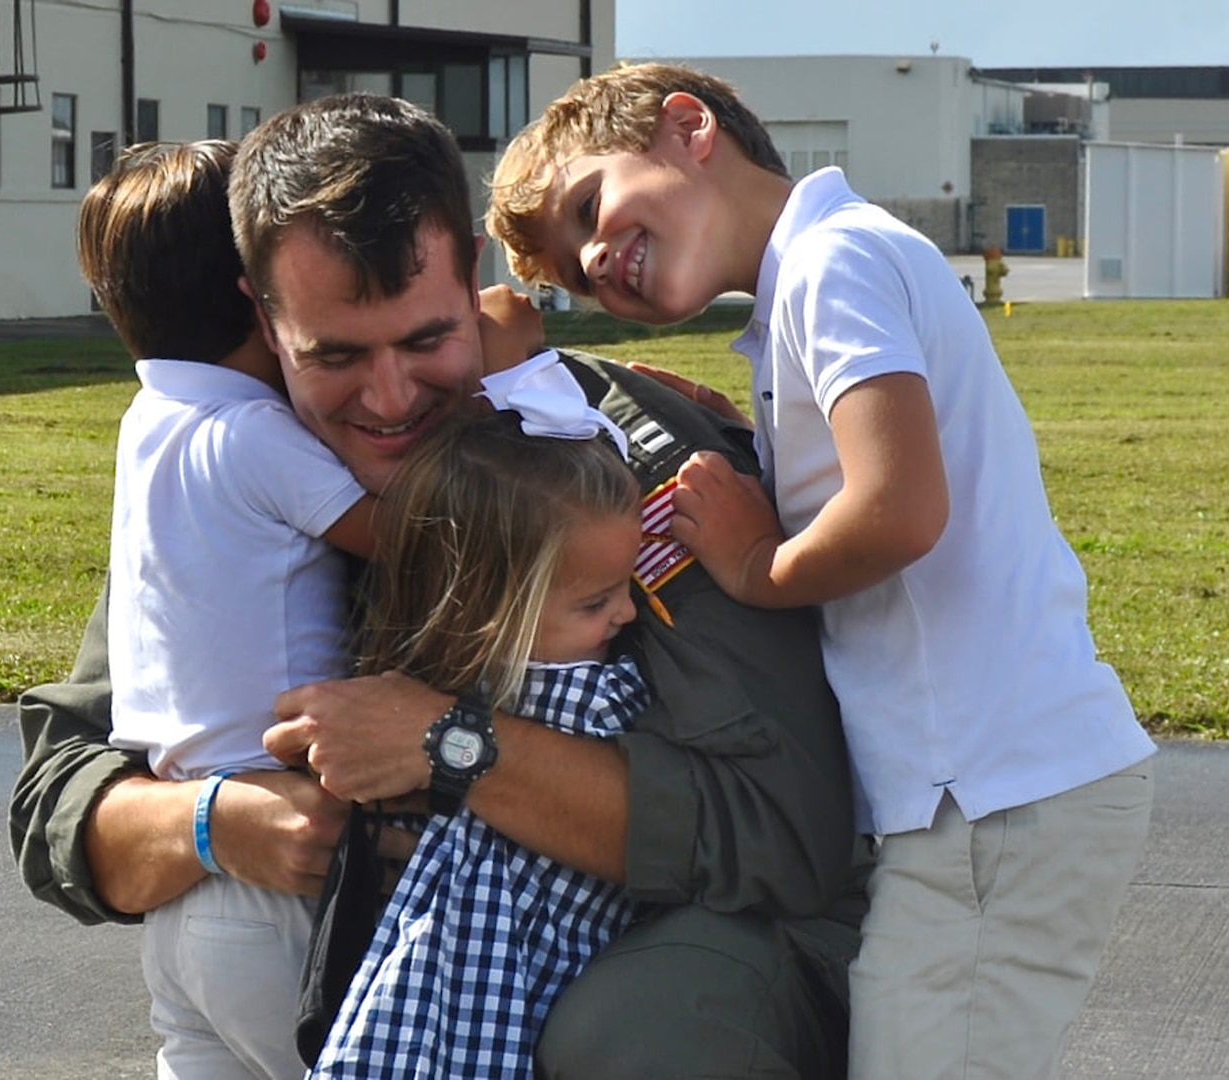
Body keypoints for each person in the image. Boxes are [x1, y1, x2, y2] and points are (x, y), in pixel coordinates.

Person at [12, 91, 863, 1079]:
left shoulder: (614, 464)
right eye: (333, 356)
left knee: (638, 1033)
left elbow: (783, 831)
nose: (385, 400)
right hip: (365, 969)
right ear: (261, 315)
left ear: (472, 275)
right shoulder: (239, 473)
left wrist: (449, 746)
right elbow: (60, 798)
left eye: (425, 342)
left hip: (670, 939)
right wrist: (214, 823)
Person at [486, 60, 1158, 1079]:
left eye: (589, 205)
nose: (593, 257)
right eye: (574, 275)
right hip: (980, 797)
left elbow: (896, 506)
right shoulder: (812, 279)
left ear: (687, 128)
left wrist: (755, 564)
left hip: (991, 792)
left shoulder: (831, 262)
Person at [75, 139, 378, 1078]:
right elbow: (403, 533)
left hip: (183, 871)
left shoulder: (150, 420)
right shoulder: (255, 433)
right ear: (261, 293)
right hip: (279, 866)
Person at [310, 357, 647, 1077]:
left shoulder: (482, 692)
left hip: (477, 979)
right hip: (496, 975)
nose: (626, 613)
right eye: (596, 602)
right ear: (493, 610)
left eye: (627, 588)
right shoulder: (591, 699)